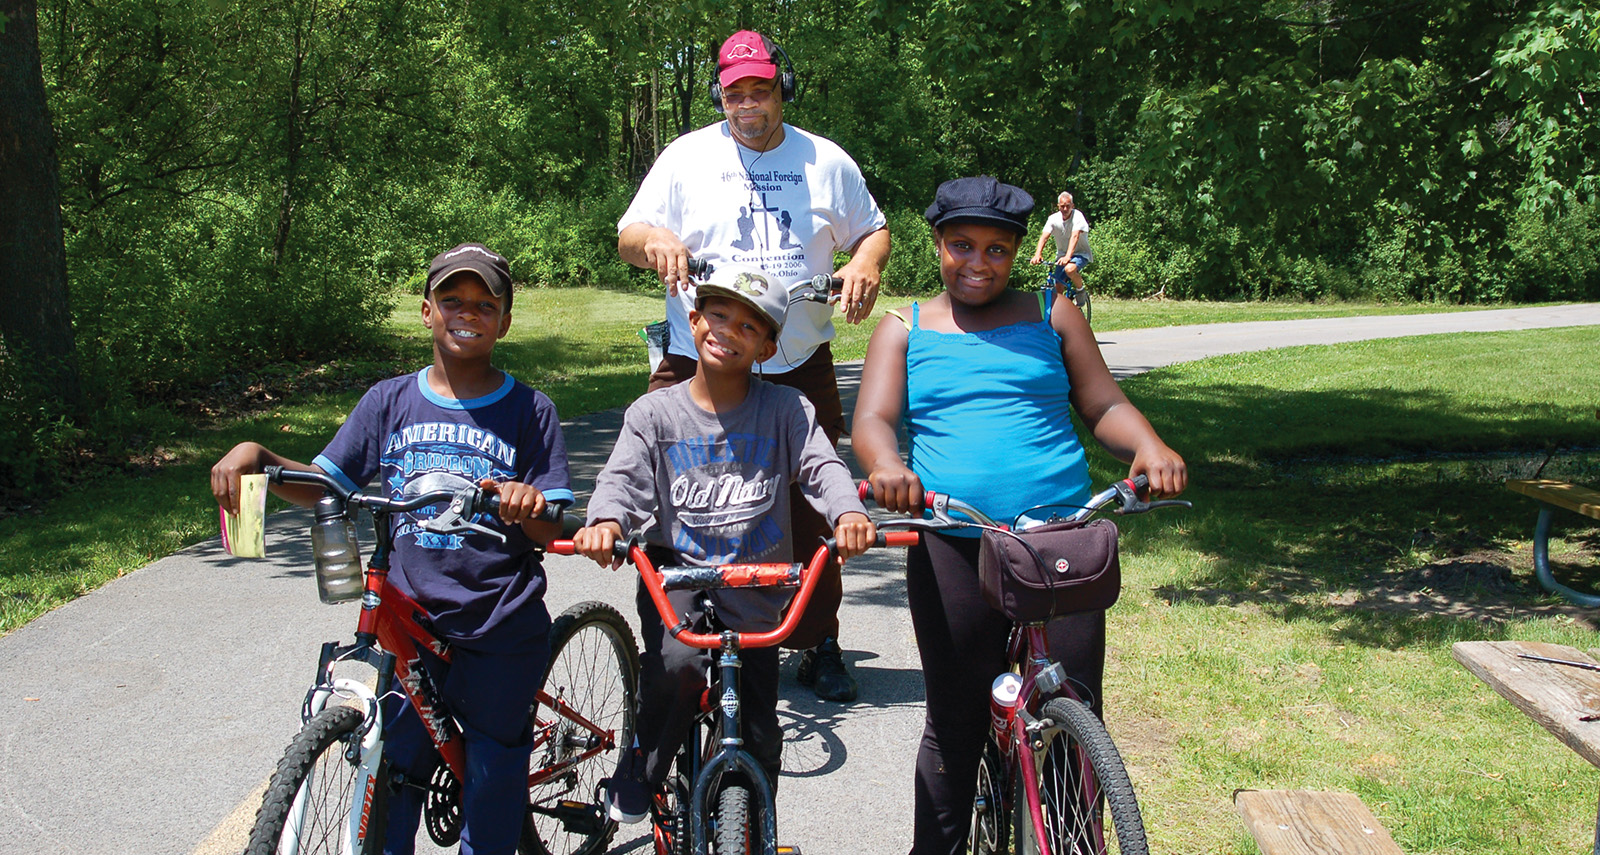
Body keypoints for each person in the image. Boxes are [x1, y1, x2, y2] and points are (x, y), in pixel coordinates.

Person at [852, 177, 1186, 855]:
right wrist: (888, 465)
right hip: (955, 538)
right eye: (961, 245)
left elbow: (1103, 404)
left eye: (997, 249)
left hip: (1059, 538)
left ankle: (1068, 839)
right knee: (956, 722)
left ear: (1016, 253)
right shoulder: (904, 325)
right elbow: (874, 420)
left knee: (1074, 711)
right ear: (938, 244)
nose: (977, 262)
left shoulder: (1051, 310)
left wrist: (1149, 445)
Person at [210, 243, 573, 855]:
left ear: (505, 321)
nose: (468, 313)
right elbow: (329, 485)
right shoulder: (388, 401)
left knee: (491, 768)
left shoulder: (529, 410)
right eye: (453, 300)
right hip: (409, 621)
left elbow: (553, 530)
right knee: (395, 764)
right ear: (426, 311)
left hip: (499, 619)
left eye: (485, 304)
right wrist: (260, 458)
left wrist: (525, 503)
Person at [616, 28, 890, 702]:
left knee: (812, 507)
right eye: (734, 91)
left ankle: (817, 638)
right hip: (695, 358)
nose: (747, 103)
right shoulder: (685, 158)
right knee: (665, 499)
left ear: (781, 87)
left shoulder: (825, 162)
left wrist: (864, 262)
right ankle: (673, 632)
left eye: (759, 89)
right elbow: (628, 234)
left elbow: (874, 230)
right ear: (720, 93)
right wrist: (657, 240)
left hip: (796, 360)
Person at [571, 263, 876, 824]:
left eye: (749, 326)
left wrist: (848, 511)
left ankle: (752, 822)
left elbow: (822, 466)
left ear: (767, 347)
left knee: (760, 726)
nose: (729, 331)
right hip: (677, 572)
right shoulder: (655, 413)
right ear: (693, 321)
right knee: (679, 662)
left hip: (755, 581)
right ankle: (642, 764)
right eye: (718, 315)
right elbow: (622, 480)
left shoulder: (786, 410)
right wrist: (608, 522)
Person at [1029, 190, 1093, 301]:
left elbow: (1075, 236)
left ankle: (1080, 290)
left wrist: (1068, 257)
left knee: (1069, 269)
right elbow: (1044, 236)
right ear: (1058, 206)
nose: (1065, 209)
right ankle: (1063, 310)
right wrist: (1037, 254)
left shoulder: (1077, 216)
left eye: (1068, 206)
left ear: (1072, 206)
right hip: (1062, 255)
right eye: (1062, 206)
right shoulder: (1053, 219)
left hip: (1080, 253)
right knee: (1058, 286)